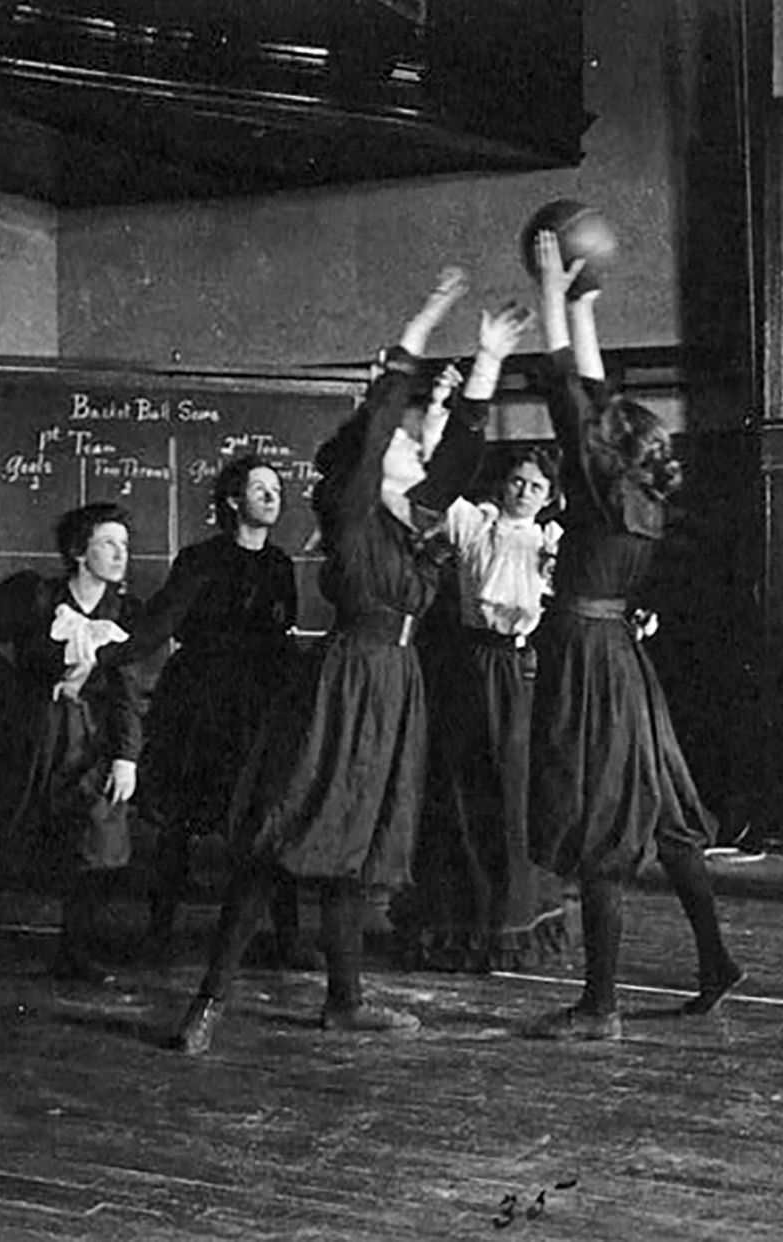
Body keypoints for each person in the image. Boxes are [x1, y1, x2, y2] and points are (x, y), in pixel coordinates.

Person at [172, 269, 535, 1054]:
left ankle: (344, 999)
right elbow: (376, 425)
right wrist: (428, 315)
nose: (414, 446)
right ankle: (208, 1001)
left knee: (356, 846)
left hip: (397, 687)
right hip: (348, 681)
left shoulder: (417, 522)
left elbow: (462, 451)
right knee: (284, 836)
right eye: (405, 445)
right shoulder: (351, 507)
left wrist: (487, 359)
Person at [524, 231, 743, 1041]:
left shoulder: (598, 485)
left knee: (598, 822)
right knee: (668, 818)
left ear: (607, 451)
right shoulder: (641, 499)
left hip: (587, 660)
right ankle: (716, 961)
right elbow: (587, 392)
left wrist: (554, 294)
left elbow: (565, 389)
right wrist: (587, 307)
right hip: (624, 660)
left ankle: (601, 1006)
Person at [91, 456, 315, 970]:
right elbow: (158, 624)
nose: (272, 497)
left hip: (261, 705)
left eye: (276, 490)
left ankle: (285, 940)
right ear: (233, 500)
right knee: (181, 822)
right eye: (259, 488)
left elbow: (282, 634)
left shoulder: (280, 564)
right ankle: (160, 935)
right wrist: (102, 656)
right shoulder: (199, 560)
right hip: (203, 704)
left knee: (269, 817)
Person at [394, 380, 573, 971]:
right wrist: (439, 408)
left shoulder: (554, 540)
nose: (523, 491)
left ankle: (518, 919)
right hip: (473, 668)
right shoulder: (475, 525)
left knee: (518, 792)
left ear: (549, 496)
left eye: (536, 486)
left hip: (526, 670)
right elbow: (435, 485)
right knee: (468, 789)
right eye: (517, 480)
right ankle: (460, 922)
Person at [0, 502, 146, 983]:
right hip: (29, 736)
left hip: (90, 742)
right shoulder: (35, 597)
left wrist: (126, 757)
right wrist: (18, 687)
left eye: (125, 545)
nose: (121, 555)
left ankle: (72, 953)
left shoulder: (126, 614)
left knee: (93, 839)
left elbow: (129, 695)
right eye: (108, 544)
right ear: (79, 551)